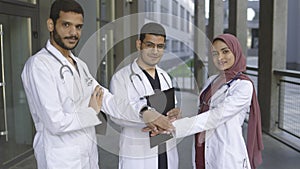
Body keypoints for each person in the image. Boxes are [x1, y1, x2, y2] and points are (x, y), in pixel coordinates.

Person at [21, 1, 173, 169]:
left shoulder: (80, 65)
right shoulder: (39, 65)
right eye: (66, 25)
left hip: (88, 155)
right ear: (51, 25)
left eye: (78, 27)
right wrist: (91, 112)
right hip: (60, 159)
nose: (73, 33)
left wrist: (144, 111)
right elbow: (55, 122)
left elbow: (107, 99)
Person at [172, 33, 264, 169]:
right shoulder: (212, 80)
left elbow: (216, 116)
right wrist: (179, 117)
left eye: (225, 51)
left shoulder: (244, 86)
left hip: (225, 154)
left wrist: (175, 127)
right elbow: (202, 111)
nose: (220, 58)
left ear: (236, 51)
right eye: (215, 53)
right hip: (201, 147)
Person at [109, 22, 181, 169]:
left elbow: (170, 106)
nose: (155, 51)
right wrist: (148, 117)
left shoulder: (165, 76)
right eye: (150, 45)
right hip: (138, 153)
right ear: (139, 44)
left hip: (165, 150)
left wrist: (174, 114)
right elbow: (116, 115)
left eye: (160, 46)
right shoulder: (121, 77)